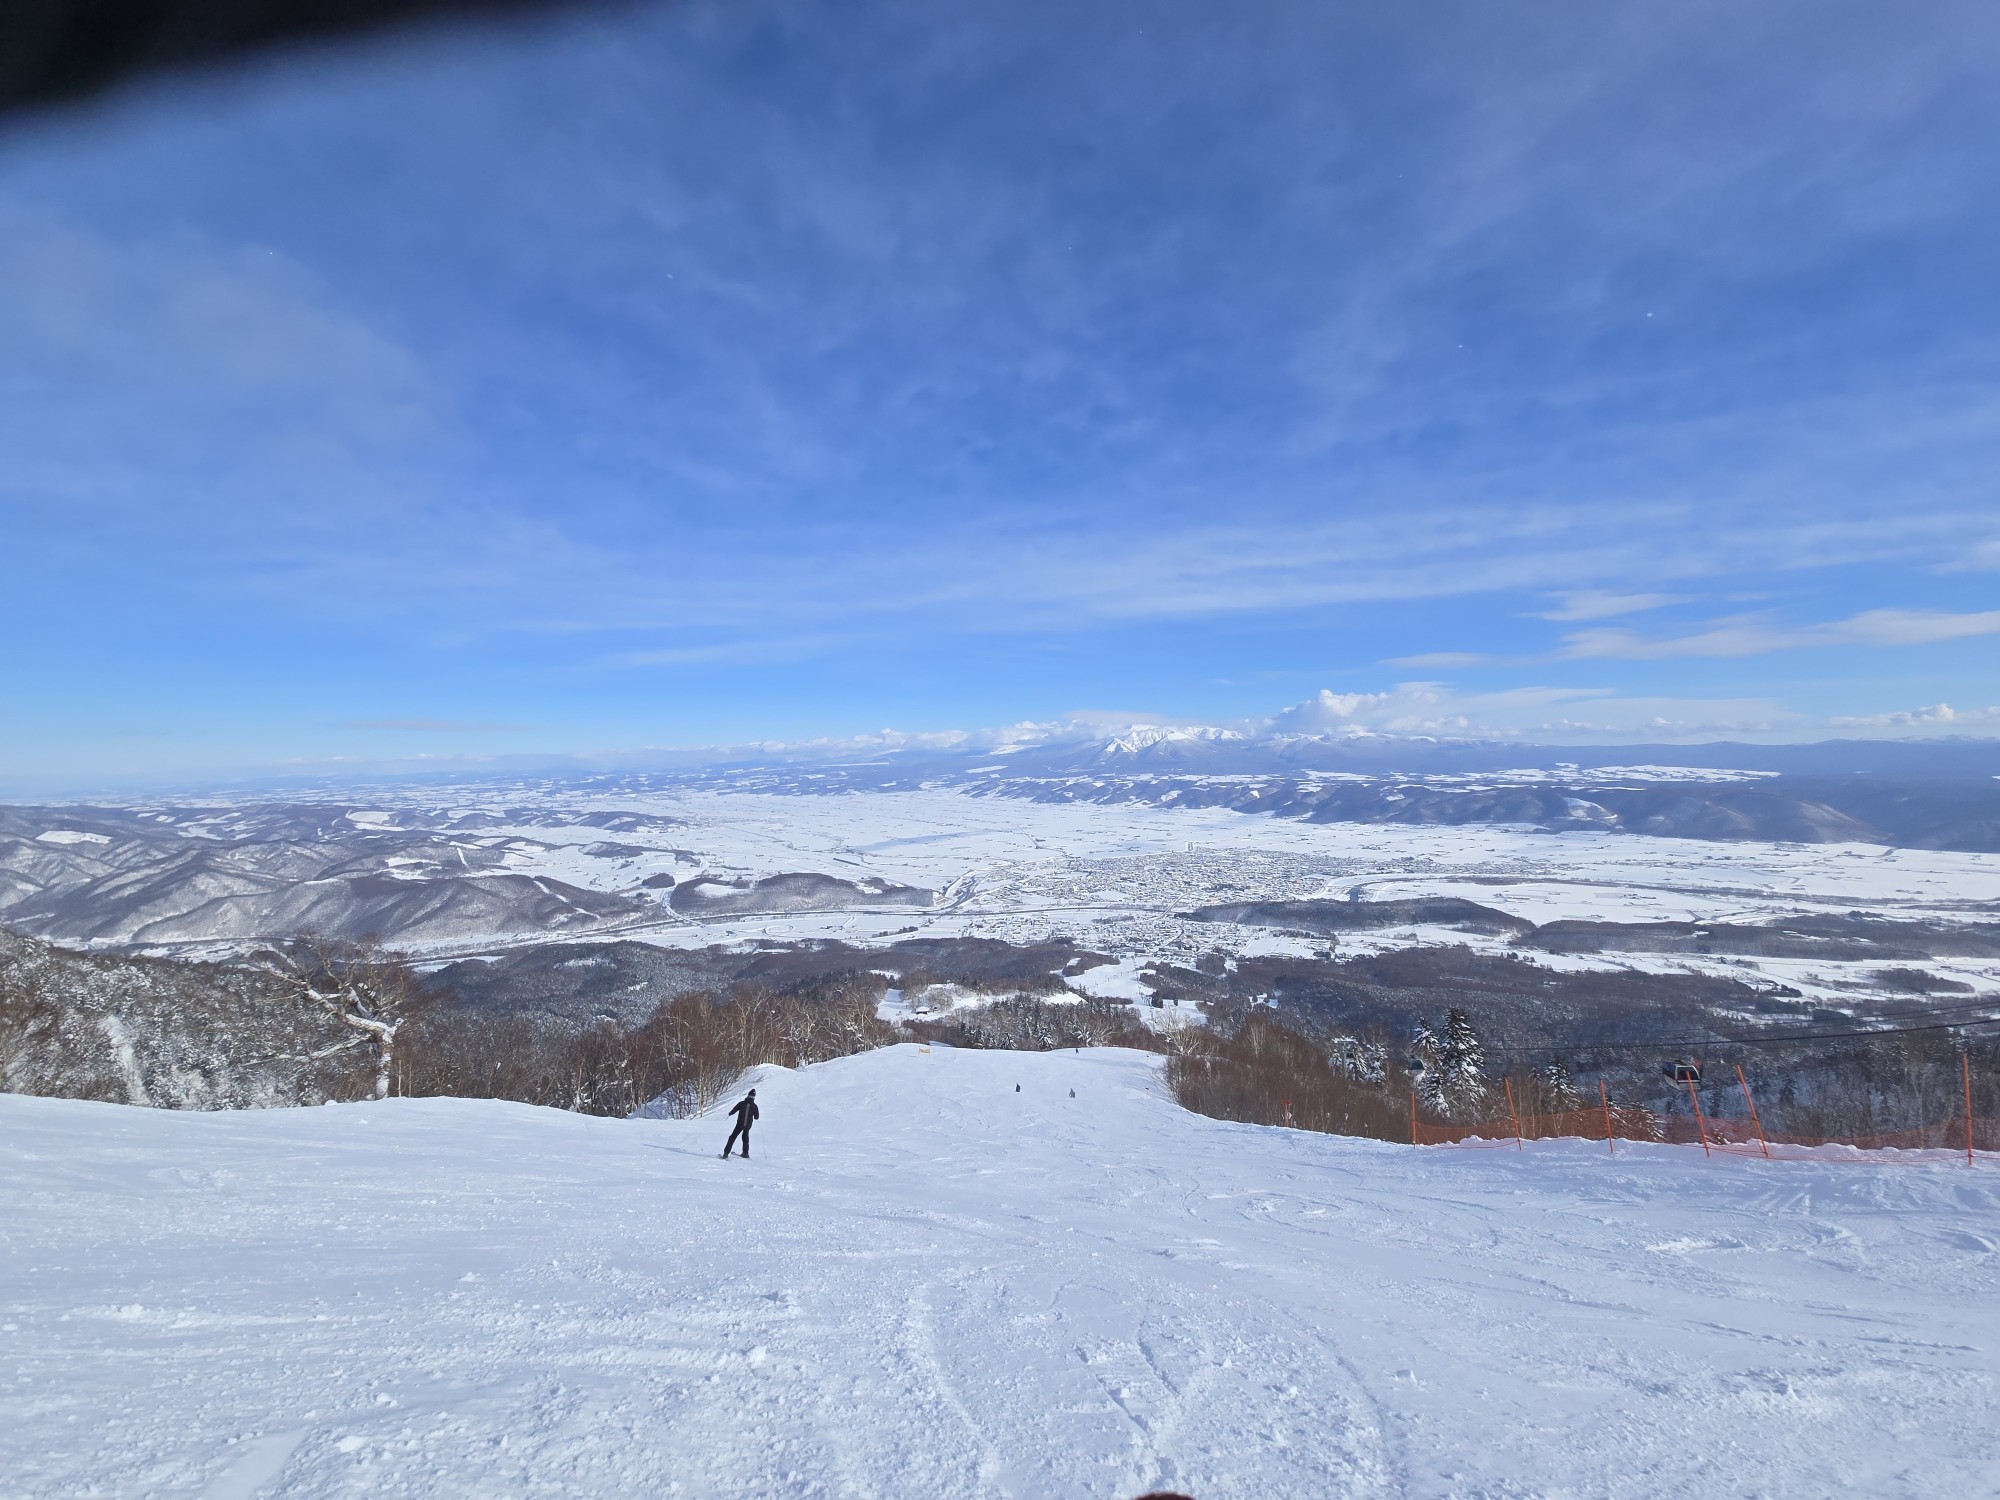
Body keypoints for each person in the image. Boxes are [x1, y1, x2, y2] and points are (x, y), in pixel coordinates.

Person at [721, 1088, 759, 1159]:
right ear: (754, 1097)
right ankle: (745, 1153)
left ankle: (726, 1153)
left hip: (739, 1124)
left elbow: (734, 1110)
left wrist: (730, 1113)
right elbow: (756, 1117)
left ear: (748, 1096)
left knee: (732, 1137)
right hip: (748, 1125)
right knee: (745, 1138)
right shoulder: (754, 1106)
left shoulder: (741, 1103)